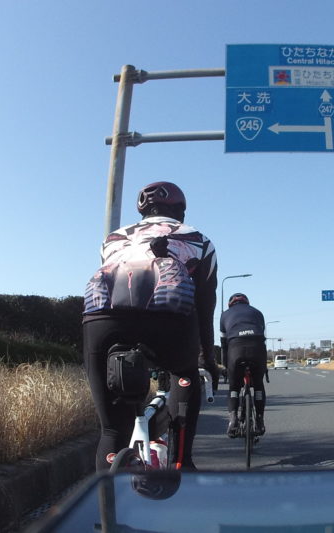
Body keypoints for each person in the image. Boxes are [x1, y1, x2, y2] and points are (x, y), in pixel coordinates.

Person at [82, 181, 218, 471]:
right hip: (168, 317)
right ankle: (183, 462)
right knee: (184, 373)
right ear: (180, 210)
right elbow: (205, 306)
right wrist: (208, 356)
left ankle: (109, 511)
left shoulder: (112, 239)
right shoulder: (199, 239)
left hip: (101, 316)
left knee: (111, 431)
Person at [220, 293, 268, 437]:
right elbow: (263, 339)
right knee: (258, 384)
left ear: (230, 304)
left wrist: (226, 367)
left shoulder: (224, 315)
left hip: (236, 348)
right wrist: (263, 367)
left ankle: (233, 419)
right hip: (257, 348)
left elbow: (223, 345)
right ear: (247, 303)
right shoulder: (258, 313)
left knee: (234, 386)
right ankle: (259, 420)